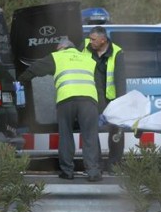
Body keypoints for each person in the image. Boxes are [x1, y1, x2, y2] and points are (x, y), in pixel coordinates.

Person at [18, 39, 102, 182]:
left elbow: (34, 69)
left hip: (66, 100)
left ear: (61, 47)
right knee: (90, 136)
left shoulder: (57, 56)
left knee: (66, 135)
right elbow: (99, 84)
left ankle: (67, 171)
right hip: (89, 101)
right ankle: (93, 172)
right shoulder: (89, 59)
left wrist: (19, 79)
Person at [82, 26, 126, 174]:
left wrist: (121, 103)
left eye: (93, 39)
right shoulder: (85, 48)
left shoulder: (117, 52)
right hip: (91, 97)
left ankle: (115, 164)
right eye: (90, 38)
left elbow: (120, 80)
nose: (90, 41)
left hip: (111, 99)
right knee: (91, 132)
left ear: (103, 40)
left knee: (116, 132)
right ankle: (97, 165)